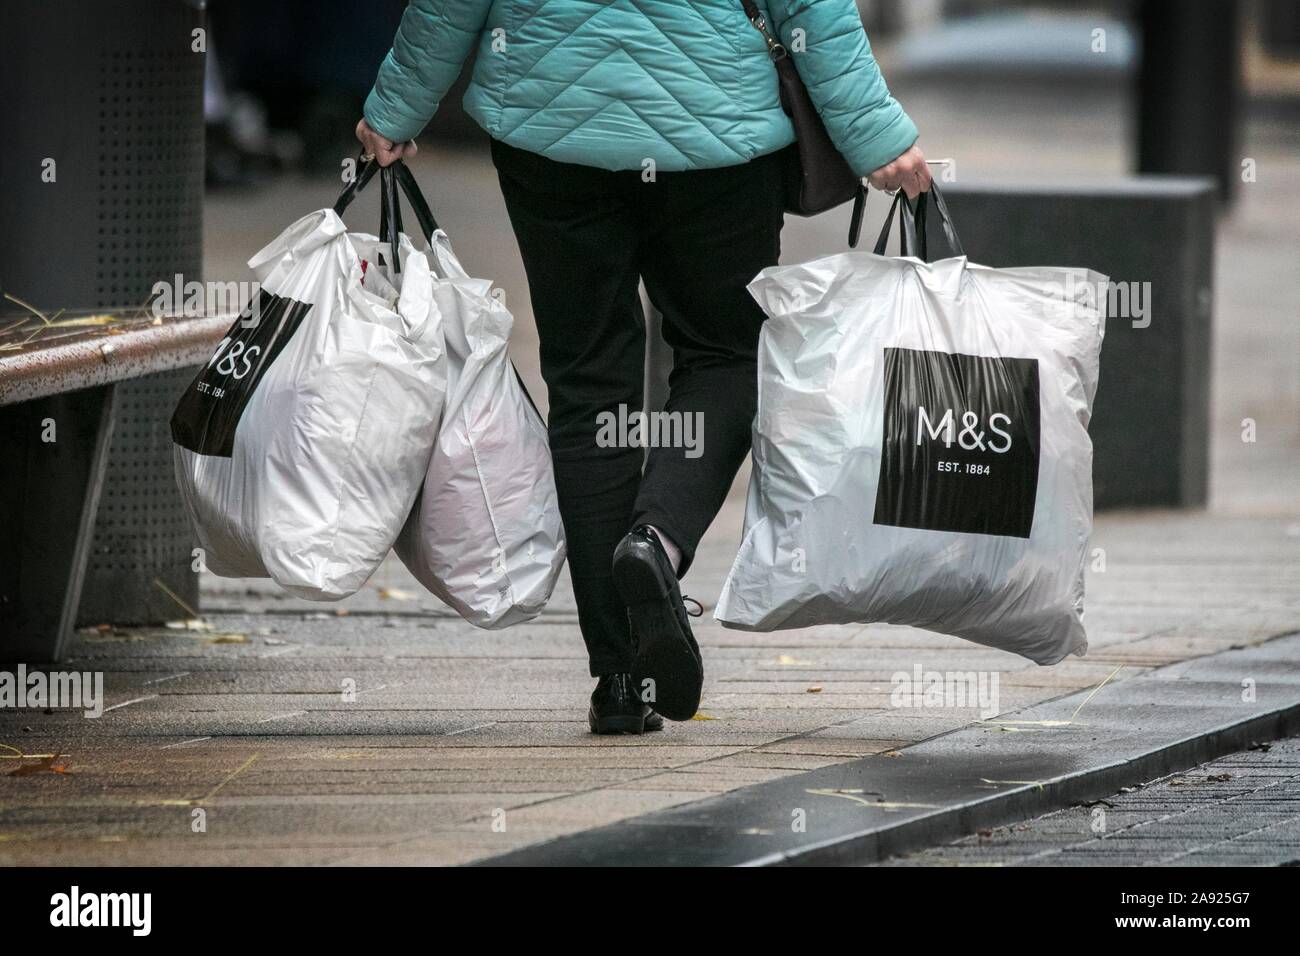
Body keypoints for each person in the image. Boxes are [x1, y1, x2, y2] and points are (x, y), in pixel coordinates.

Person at [358, 0, 931, 734]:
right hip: (715, 134)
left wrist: (396, 109)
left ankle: (622, 680)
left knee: (588, 382)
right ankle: (655, 541)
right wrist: (876, 135)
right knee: (726, 354)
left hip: (552, 131)